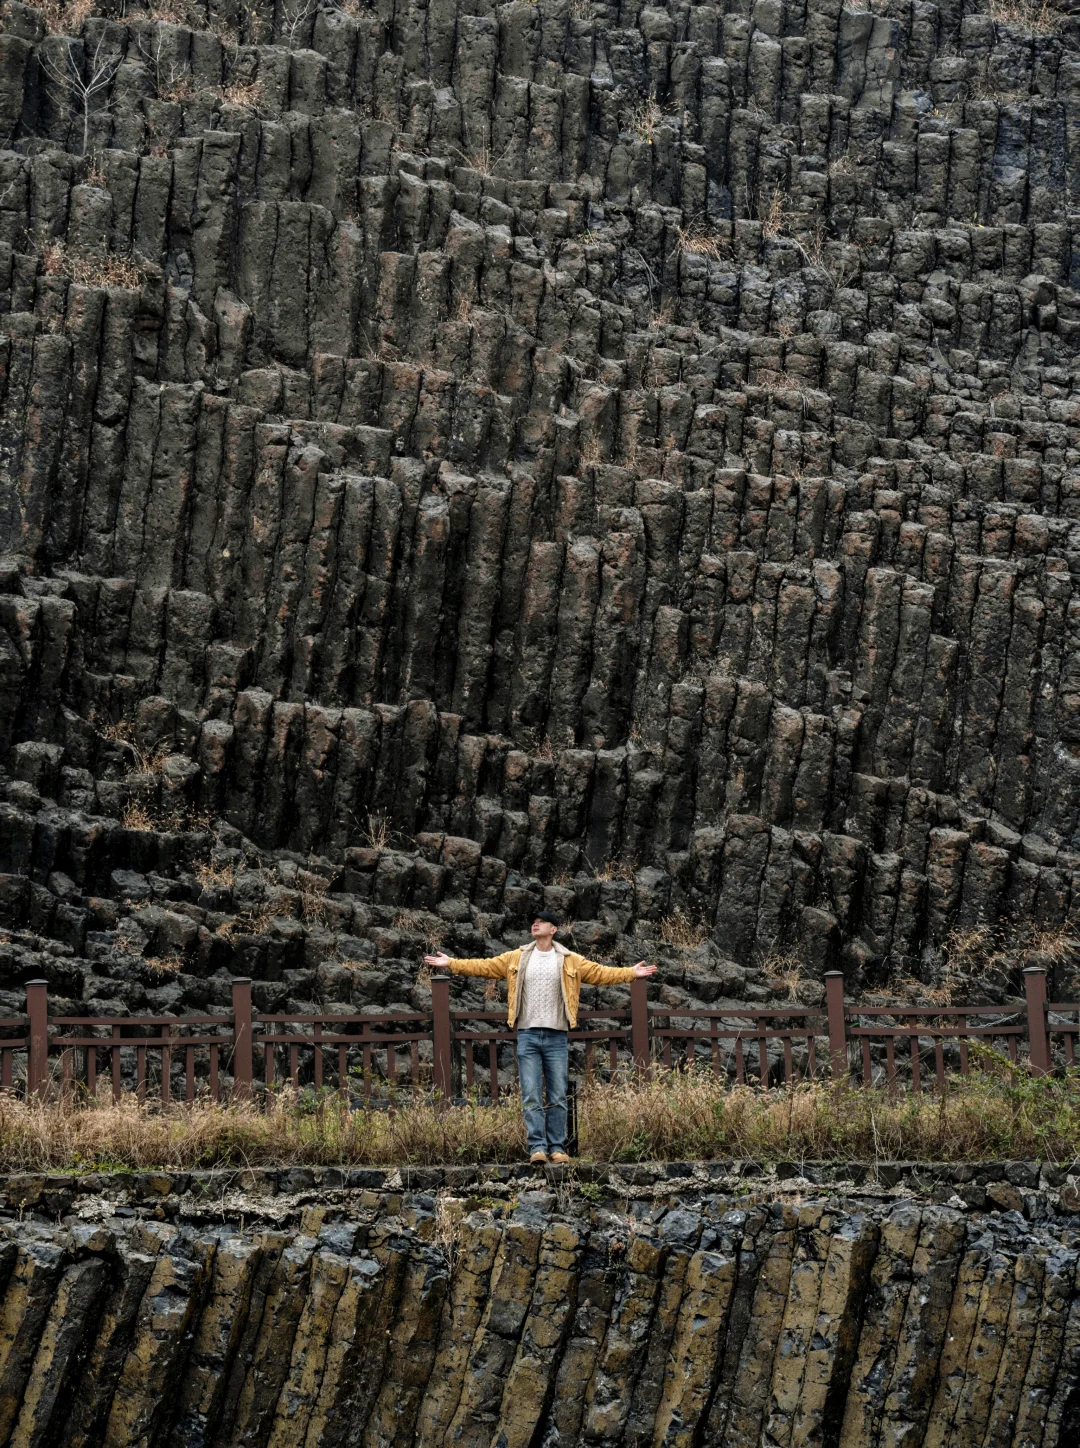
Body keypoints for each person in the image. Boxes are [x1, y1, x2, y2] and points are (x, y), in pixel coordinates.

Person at [423, 912, 657, 1164]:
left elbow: (601, 973)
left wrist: (631, 972)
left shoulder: (570, 960)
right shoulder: (518, 957)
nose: (535, 924)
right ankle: (537, 1147)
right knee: (531, 1094)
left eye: (541, 922)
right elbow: (485, 966)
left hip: (557, 1036)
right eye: (533, 921)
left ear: (553, 929)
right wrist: (453, 963)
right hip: (528, 1035)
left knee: (557, 1095)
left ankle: (557, 1148)